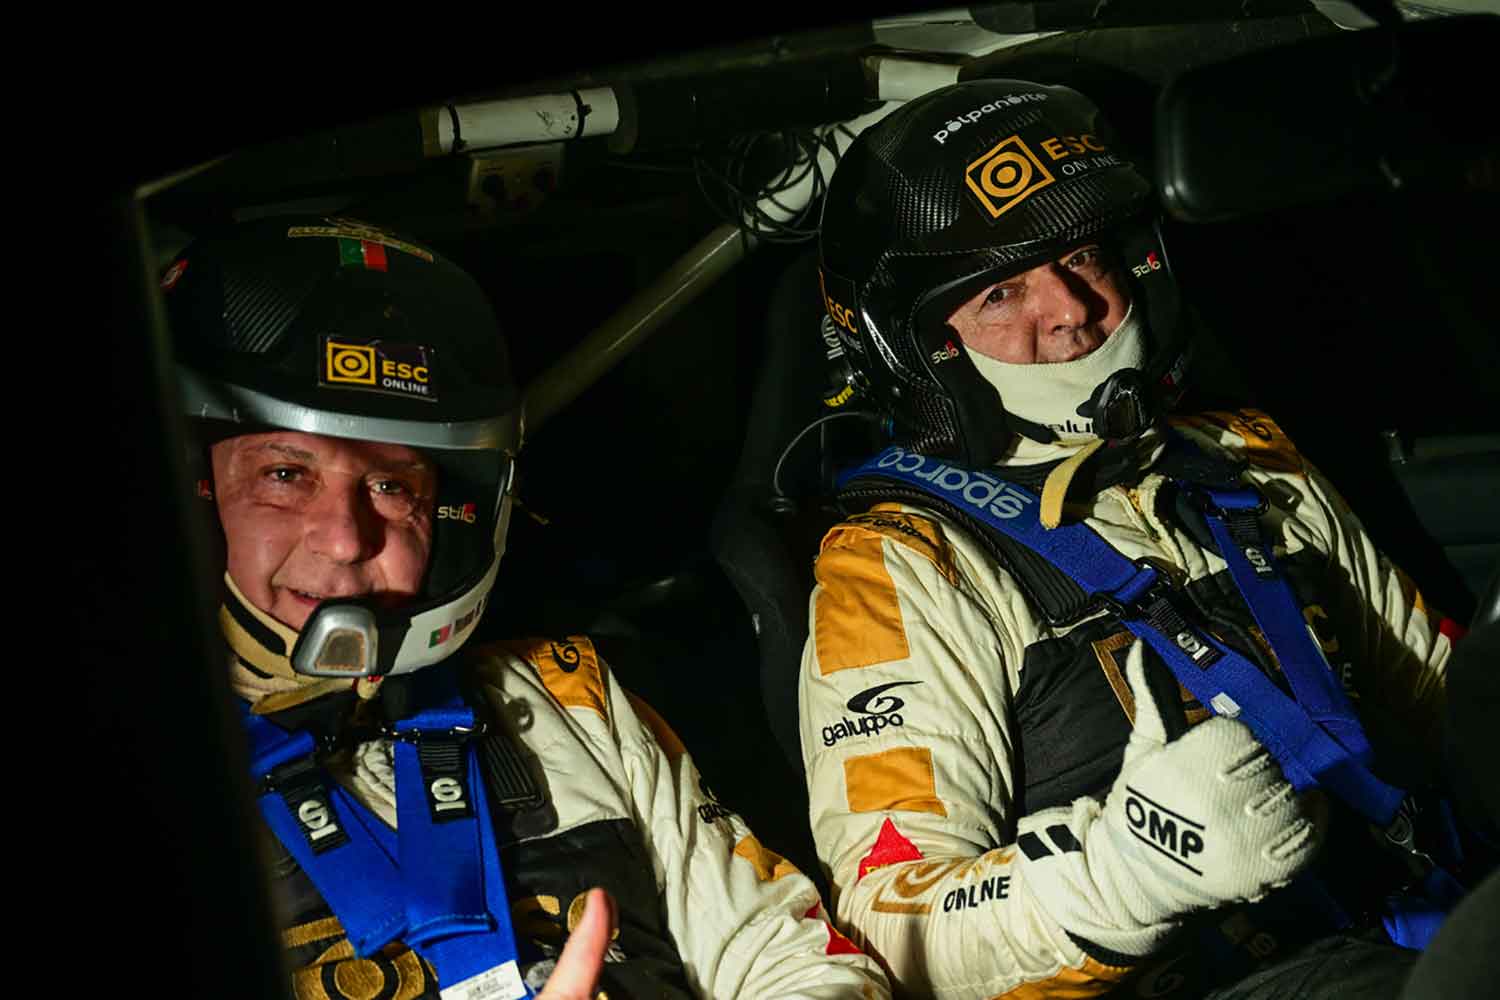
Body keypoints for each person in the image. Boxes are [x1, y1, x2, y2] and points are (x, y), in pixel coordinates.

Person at [799, 79, 1478, 999]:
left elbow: (1444, 703)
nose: (1071, 308)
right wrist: (1128, 875)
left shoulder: (1240, 452)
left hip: (1408, 922)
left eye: (1084, 256)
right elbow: (890, 919)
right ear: (925, 347)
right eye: (1002, 291)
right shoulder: (900, 567)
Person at [163, 216, 891, 1000]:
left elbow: (798, 965)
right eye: (284, 475)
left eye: (390, 486)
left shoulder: (567, 698)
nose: (344, 539)